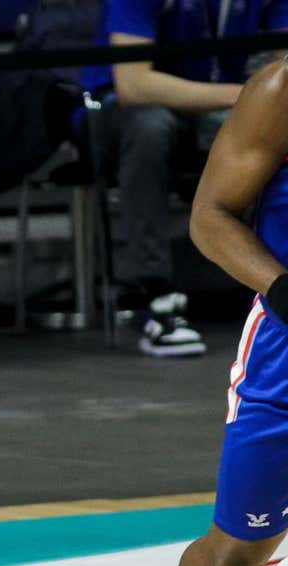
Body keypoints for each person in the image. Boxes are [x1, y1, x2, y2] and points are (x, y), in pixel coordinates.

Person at [143, 58, 288, 566]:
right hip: (285, 343)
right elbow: (210, 216)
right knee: (236, 550)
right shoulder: (280, 91)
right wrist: (284, 290)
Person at [81, 0, 288, 358]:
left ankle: (267, 284)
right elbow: (134, 85)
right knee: (150, 130)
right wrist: (250, 99)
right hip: (121, 113)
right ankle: (156, 298)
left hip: (220, 108)